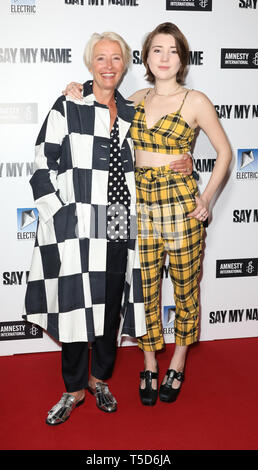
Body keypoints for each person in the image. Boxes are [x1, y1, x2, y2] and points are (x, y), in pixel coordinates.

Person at [64, 23, 222, 408]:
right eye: (156, 50)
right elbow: (101, 102)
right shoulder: (134, 99)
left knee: (186, 289)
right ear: (147, 58)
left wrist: (208, 197)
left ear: (182, 58)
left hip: (182, 206)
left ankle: (179, 360)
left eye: (172, 50)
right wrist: (77, 90)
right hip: (138, 209)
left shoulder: (196, 100)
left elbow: (226, 154)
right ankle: (150, 361)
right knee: (144, 290)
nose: (164, 57)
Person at [23, 32, 151, 425]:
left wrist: (180, 162)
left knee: (111, 304)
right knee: (76, 303)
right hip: (77, 221)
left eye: (116, 58)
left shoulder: (133, 111)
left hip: (116, 218)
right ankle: (73, 388)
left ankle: (99, 380)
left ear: (125, 64)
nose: (108, 65)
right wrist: (59, 216)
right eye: (101, 58)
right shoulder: (69, 104)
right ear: (89, 63)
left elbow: (148, 161)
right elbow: (41, 162)